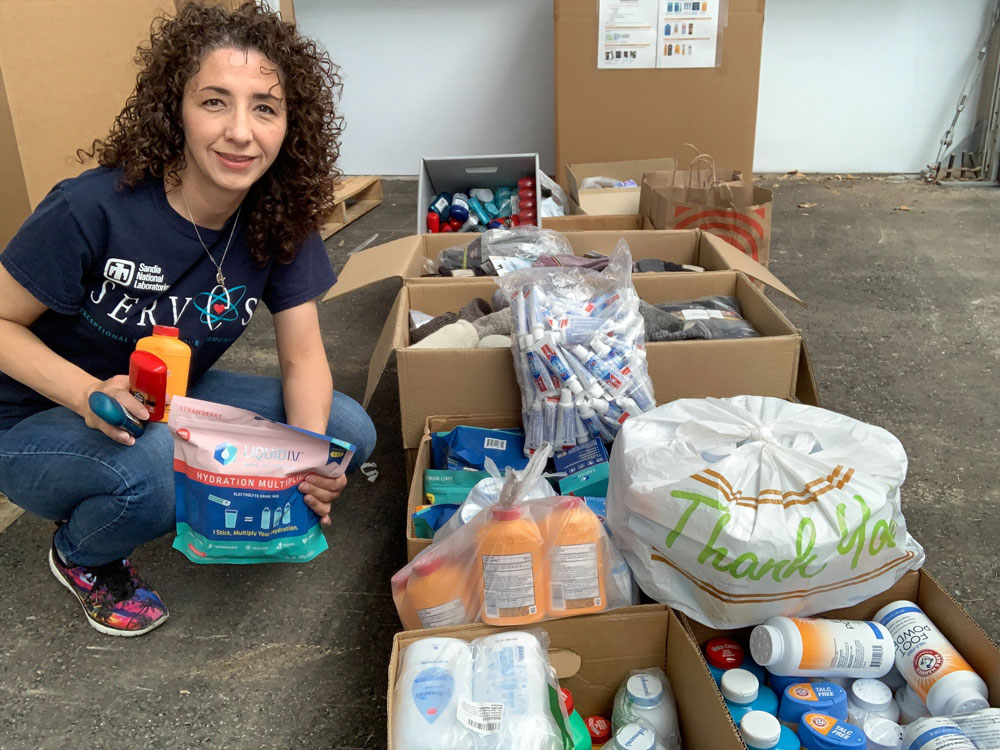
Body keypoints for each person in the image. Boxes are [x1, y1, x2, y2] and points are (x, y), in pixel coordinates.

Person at [0, 2, 376, 637]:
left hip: (163, 398)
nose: (240, 132)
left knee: (342, 431)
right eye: (214, 102)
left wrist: (306, 459)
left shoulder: (277, 216)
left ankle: (201, 489)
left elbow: (302, 357)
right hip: (37, 414)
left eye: (264, 107)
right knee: (157, 469)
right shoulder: (90, 209)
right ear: (175, 108)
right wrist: (90, 395)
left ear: (290, 126)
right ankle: (83, 552)